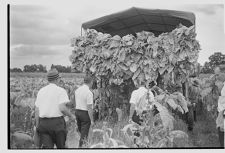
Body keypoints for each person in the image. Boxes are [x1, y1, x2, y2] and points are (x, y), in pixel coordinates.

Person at [34, 69, 76, 148]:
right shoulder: (61, 91)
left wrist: (37, 125)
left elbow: (37, 110)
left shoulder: (41, 91)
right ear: (57, 79)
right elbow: (62, 108)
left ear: (48, 79)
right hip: (57, 124)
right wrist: (71, 116)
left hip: (43, 124)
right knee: (61, 147)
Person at [74, 75, 94, 148]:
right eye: (92, 82)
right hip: (85, 114)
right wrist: (92, 120)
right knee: (84, 134)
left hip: (77, 112)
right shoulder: (89, 92)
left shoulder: (77, 90)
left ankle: (84, 145)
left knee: (81, 132)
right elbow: (89, 108)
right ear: (91, 82)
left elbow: (75, 102)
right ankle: (81, 148)